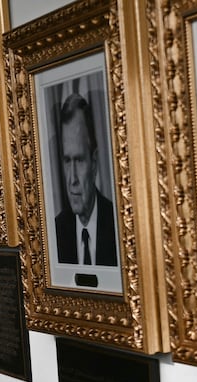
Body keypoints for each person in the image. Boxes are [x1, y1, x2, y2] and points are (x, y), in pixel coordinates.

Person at [54, 92, 117, 266]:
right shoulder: (55, 232)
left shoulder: (118, 225)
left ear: (94, 162)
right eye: (67, 161)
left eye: (80, 160)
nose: (72, 178)